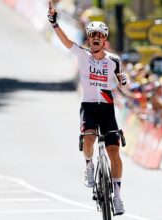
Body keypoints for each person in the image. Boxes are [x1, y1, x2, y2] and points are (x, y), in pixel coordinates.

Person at [48, 2, 127, 215]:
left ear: (104, 40)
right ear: (89, 38)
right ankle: (89, 166)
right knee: (89, 138)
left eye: (99, 35)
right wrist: (54, 23)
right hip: (89, 107)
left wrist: (124, 82)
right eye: (92, 34)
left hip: (108, 109)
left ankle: (118, 197)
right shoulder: (83, 55)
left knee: (114, 153)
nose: (95, 38)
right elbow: (66, 42)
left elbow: (122, 82)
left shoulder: (114, 61)